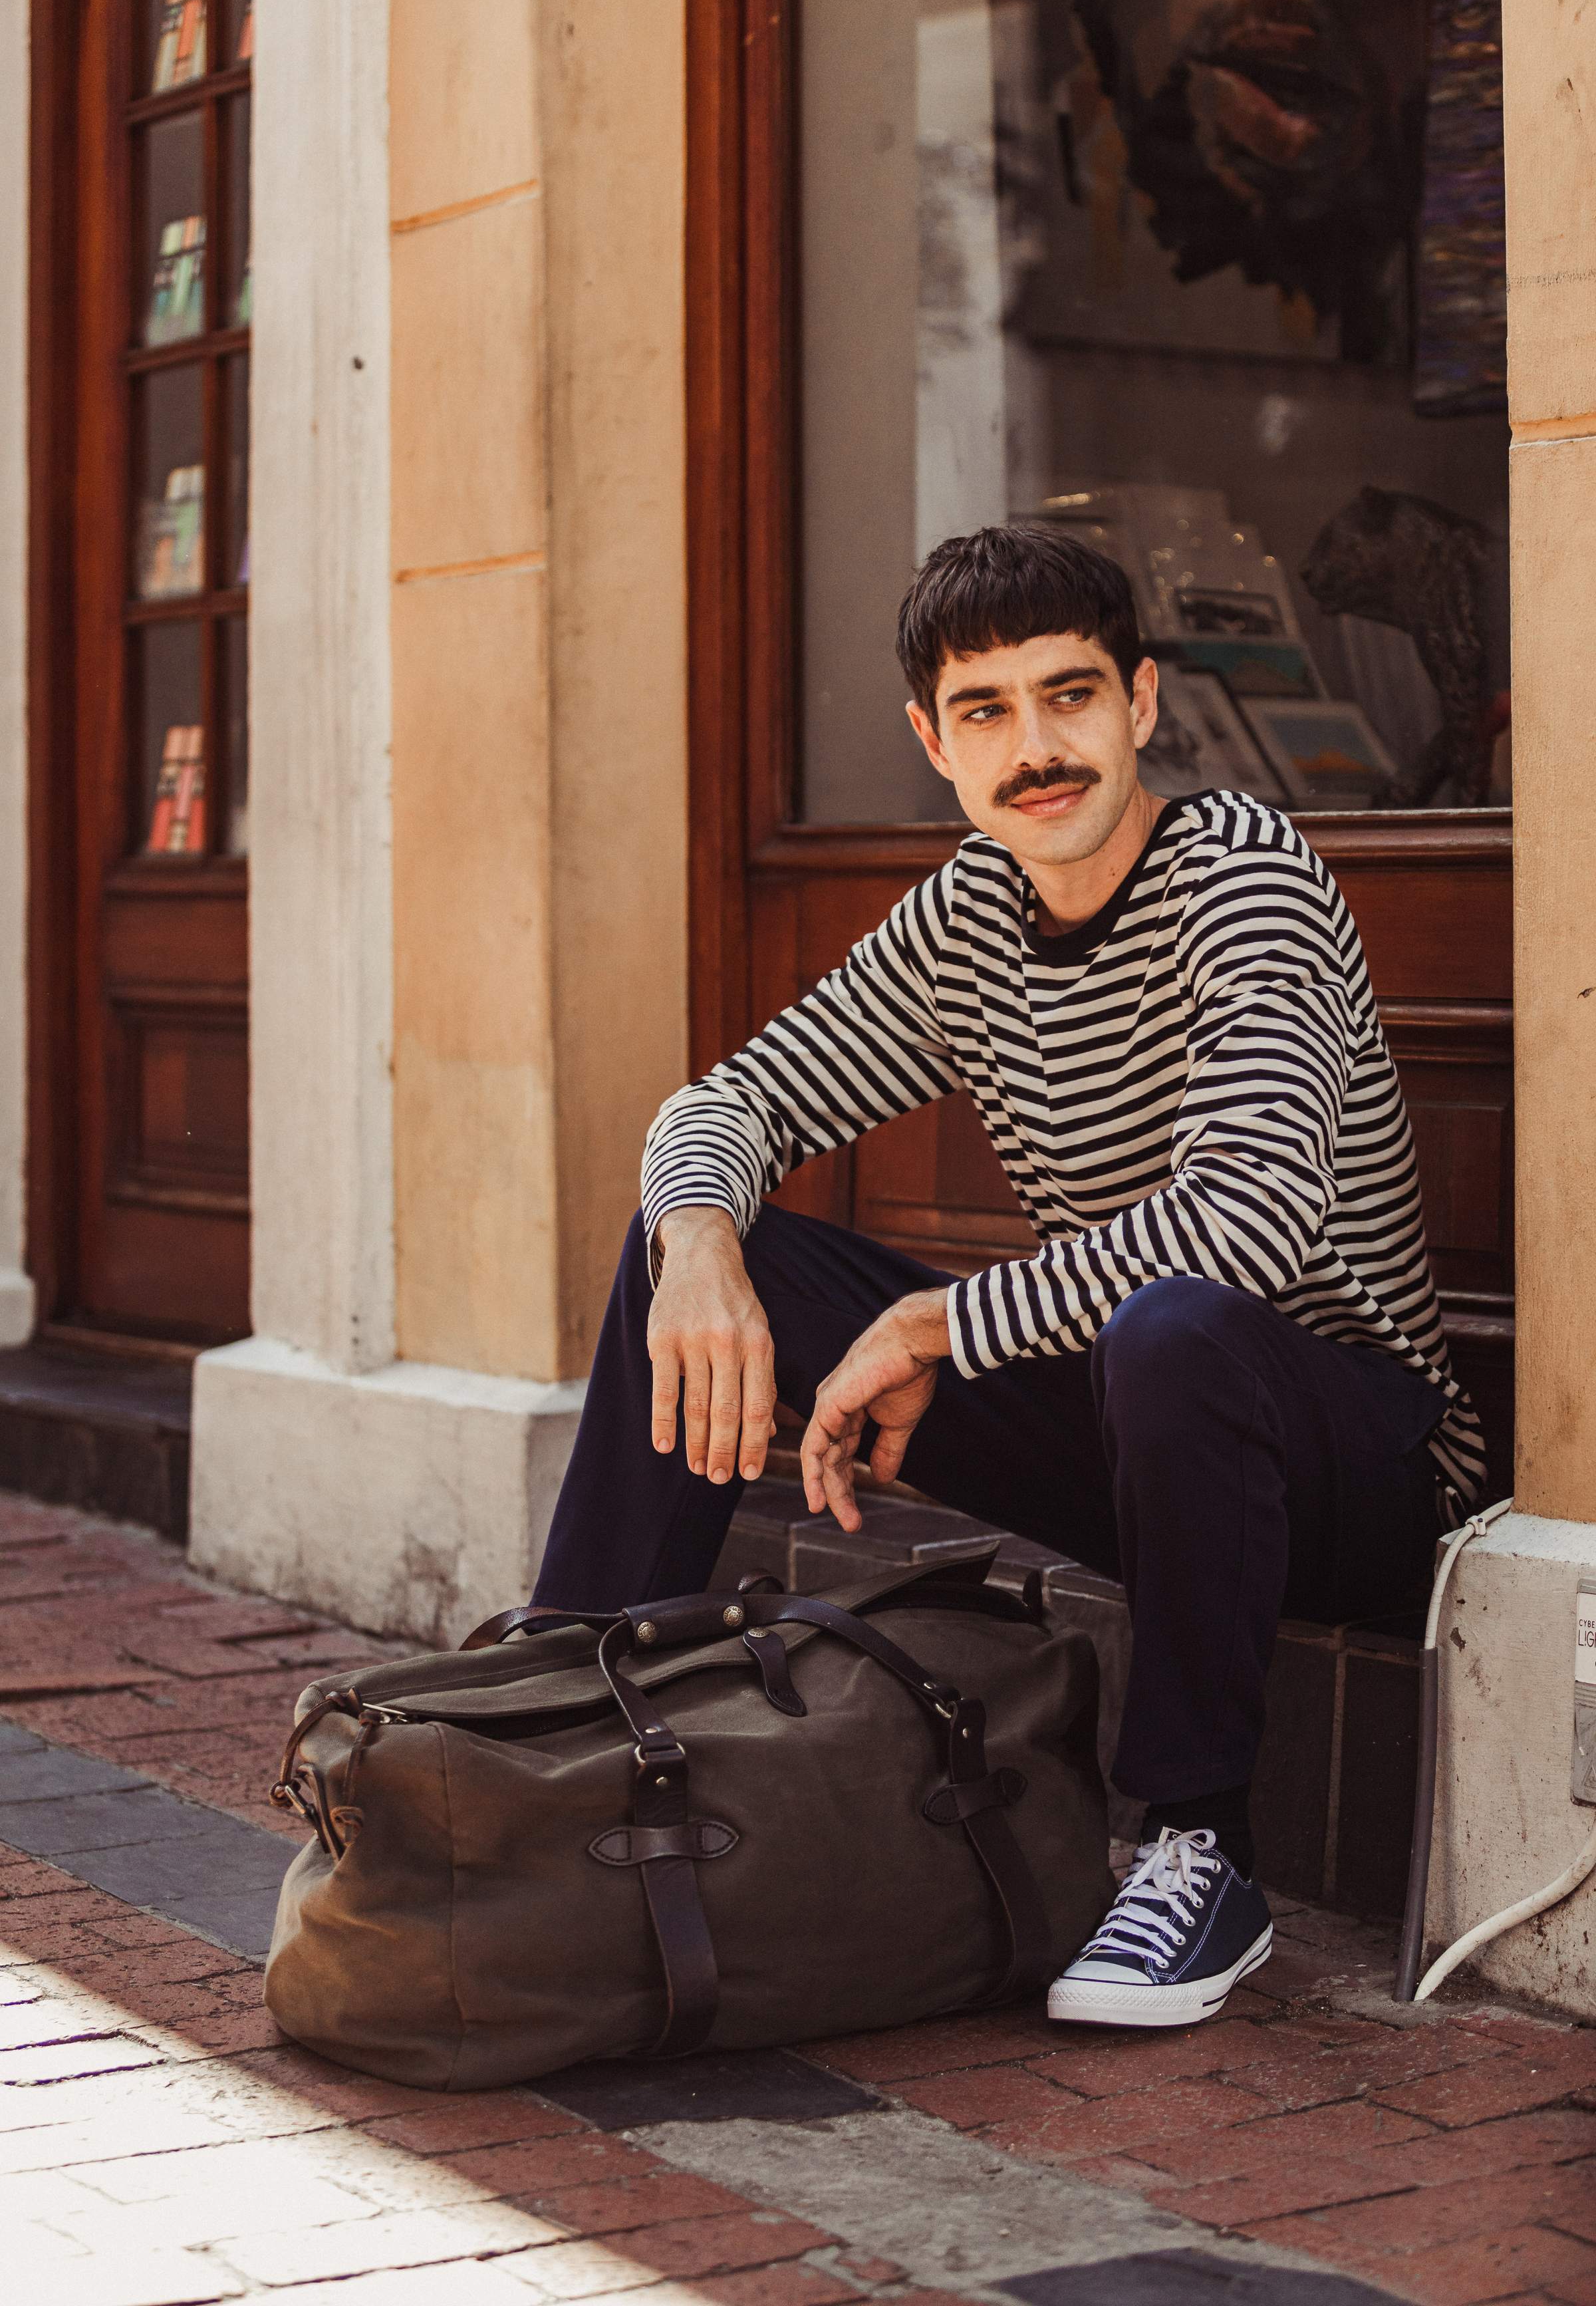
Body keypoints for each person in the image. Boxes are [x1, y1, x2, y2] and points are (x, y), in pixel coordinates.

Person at [535, 523, 1482, 2029]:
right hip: (1146, 1436)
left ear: (1144, 703)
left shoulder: (1248, 879)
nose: (1036, 749)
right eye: (986, 713)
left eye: (1070, 696)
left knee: (1178, 1328)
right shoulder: (969, 914)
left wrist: (937, 1324)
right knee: (724, 1253)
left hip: (1359, 1467)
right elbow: (729, 1104)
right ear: (933, 740)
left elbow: (1249, 1223)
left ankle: (1198, 1852)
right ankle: (562, 1724)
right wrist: (697, 1242)